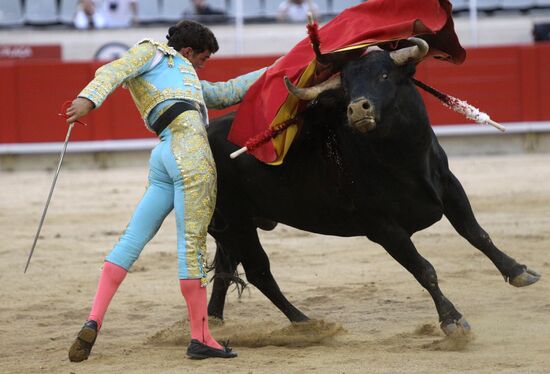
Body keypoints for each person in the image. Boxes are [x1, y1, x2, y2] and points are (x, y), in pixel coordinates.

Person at [65, 19, 267, 362]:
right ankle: (201, 337)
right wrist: (88, 99)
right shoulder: (153, 52)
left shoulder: (183, 79)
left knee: (131, 239)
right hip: (189, 152)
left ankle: (94, 319)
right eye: (201, 58)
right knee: (191, 244)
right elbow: (113, 70)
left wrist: (276, 69)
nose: (202, 66)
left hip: (163, 156)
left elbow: (228, 91)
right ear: (186, 51)